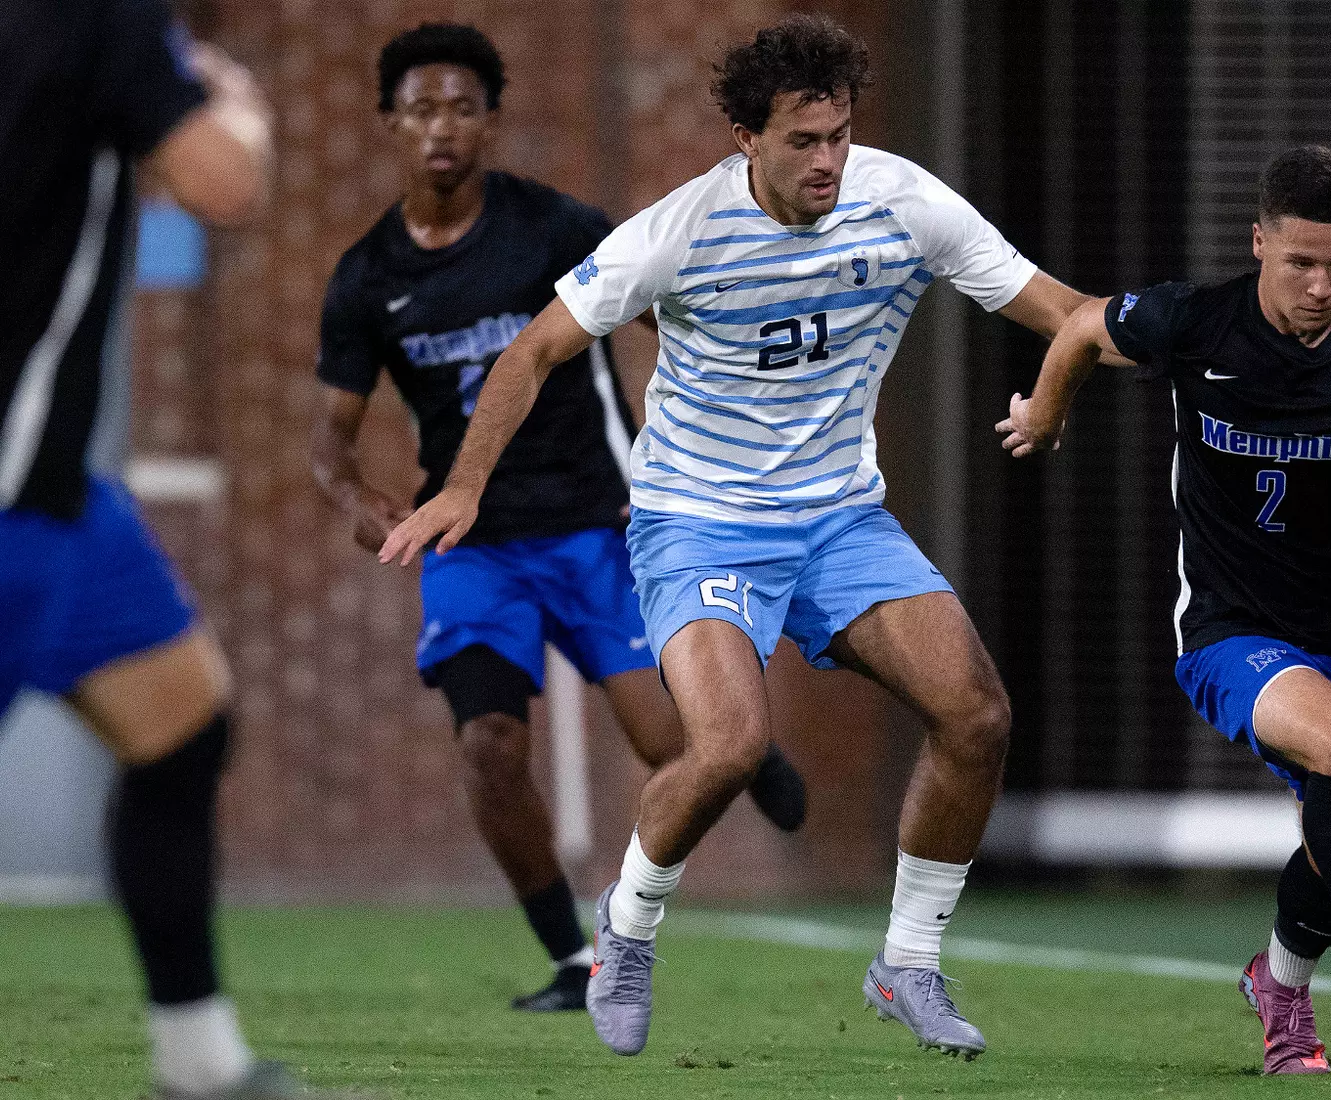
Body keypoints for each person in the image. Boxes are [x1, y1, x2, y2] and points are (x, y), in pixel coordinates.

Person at [380, 13, 1108, 1061]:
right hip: (696, 525)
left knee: (977, 712)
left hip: (841, 520)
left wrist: (1115, 370)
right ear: (745, 139)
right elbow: (534, 352)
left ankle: (907, 961)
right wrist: (462, 487)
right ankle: (626, 931)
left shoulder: (902, 202)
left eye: (840, 136)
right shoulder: (676, 231)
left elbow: (1069, 311)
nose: (828, 161)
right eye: (803, 142)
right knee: (728, 744)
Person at [997, 145, 1331, 1074]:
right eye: (1301, 262)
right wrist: (1047, 416)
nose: (1322, 286)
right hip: (1226, 627)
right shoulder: (1197, 322)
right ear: (1259, 242)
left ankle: (1279, 987)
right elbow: (1085, 327)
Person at [309, 22, 808, 1013]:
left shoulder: (555, 230)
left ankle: (738, 742)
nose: (441, 126)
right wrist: (356, 497)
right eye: (420, 109)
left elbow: (674, 310)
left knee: (676, 745)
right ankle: (573, 958)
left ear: (490, 121)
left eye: (461, 106)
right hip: (472, 545)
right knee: (489, 746)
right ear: (390, 126)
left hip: (595, 525)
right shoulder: (366, 279)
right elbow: (328, 444)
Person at [0, 3, 342, 1097]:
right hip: (8, 489)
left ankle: (199, 1064)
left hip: (59, 494)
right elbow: (220, 180)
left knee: (182, 720)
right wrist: (231, 97)